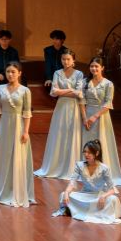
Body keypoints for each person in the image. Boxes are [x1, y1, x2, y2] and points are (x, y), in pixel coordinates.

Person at [0, 62, 35, 208]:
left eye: (13, 72)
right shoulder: (0, 88)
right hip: (4, 126)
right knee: (3, 155)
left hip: (19, 126)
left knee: (17, 156)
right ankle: (1, 187)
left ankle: (16, 189)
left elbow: (27, 113)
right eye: (8, 71)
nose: (10, 74)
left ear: (19, 73)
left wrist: (26, 131)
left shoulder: (25, 91)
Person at [36, 49, 86, 180]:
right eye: (63, 59)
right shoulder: (57, 73)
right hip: (61, 107)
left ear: (73, 60)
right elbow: (53, 92)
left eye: (68, 59)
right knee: (59, 134)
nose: (66, 61)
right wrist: (70, 90)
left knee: (72, 134)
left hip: (74, 107)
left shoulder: (79, 74)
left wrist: (62, 91)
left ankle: (71, 167)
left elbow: (79, 93)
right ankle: (57, 165)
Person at [82, 56, 121, 185]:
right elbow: (81, 101)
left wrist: (95, 116)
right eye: (92, 66)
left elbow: (108, 103)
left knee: (101, 141)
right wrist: (84, 118)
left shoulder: (108, 84)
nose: (94, 68)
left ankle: (101, 171)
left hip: (101, 116)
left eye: (96, 66)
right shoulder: (85, 82)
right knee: (87, 142)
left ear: (102, 68)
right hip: (87, 114)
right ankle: (87, 171)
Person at [55, 140, 121, 224]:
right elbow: (72, 183)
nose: (86, 154)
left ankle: (80, 210)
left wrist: (103, 196)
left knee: (113, 199)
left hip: (98, 196)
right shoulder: (79, 165)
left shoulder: (104, 168)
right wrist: (67, 192)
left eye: (89, 152)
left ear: (96, 153)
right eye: (85, 152)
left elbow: (112, 189)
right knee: (63, 194)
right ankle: (87, 211)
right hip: (84, 195)